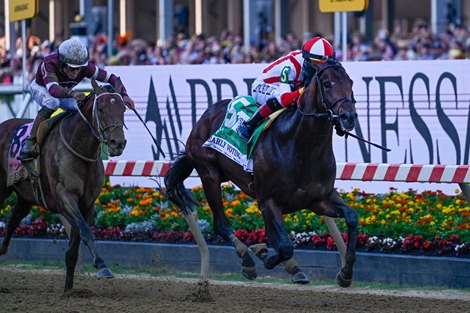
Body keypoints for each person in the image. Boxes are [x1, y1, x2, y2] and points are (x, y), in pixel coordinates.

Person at [18, 38, 135, 161]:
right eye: (72, 68)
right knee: (53, 103)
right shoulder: (49, 63)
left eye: (79, 68)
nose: (76, 72)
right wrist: (72, 93)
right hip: (42, 87)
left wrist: (124, 95)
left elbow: (111, 78)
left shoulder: (86, 67)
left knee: (77, 108)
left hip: (63, 90)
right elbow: (53, 90)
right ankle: (30, 141)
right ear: (62, 63)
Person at [237, 36, 335, 142]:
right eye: (317, 65)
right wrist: (303, 90)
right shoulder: (289, 66)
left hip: (290, 87)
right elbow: (284, 99)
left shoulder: (309, 60)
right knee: (280, 97)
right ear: (307, 61)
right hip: (264, 86)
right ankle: (248, 125)